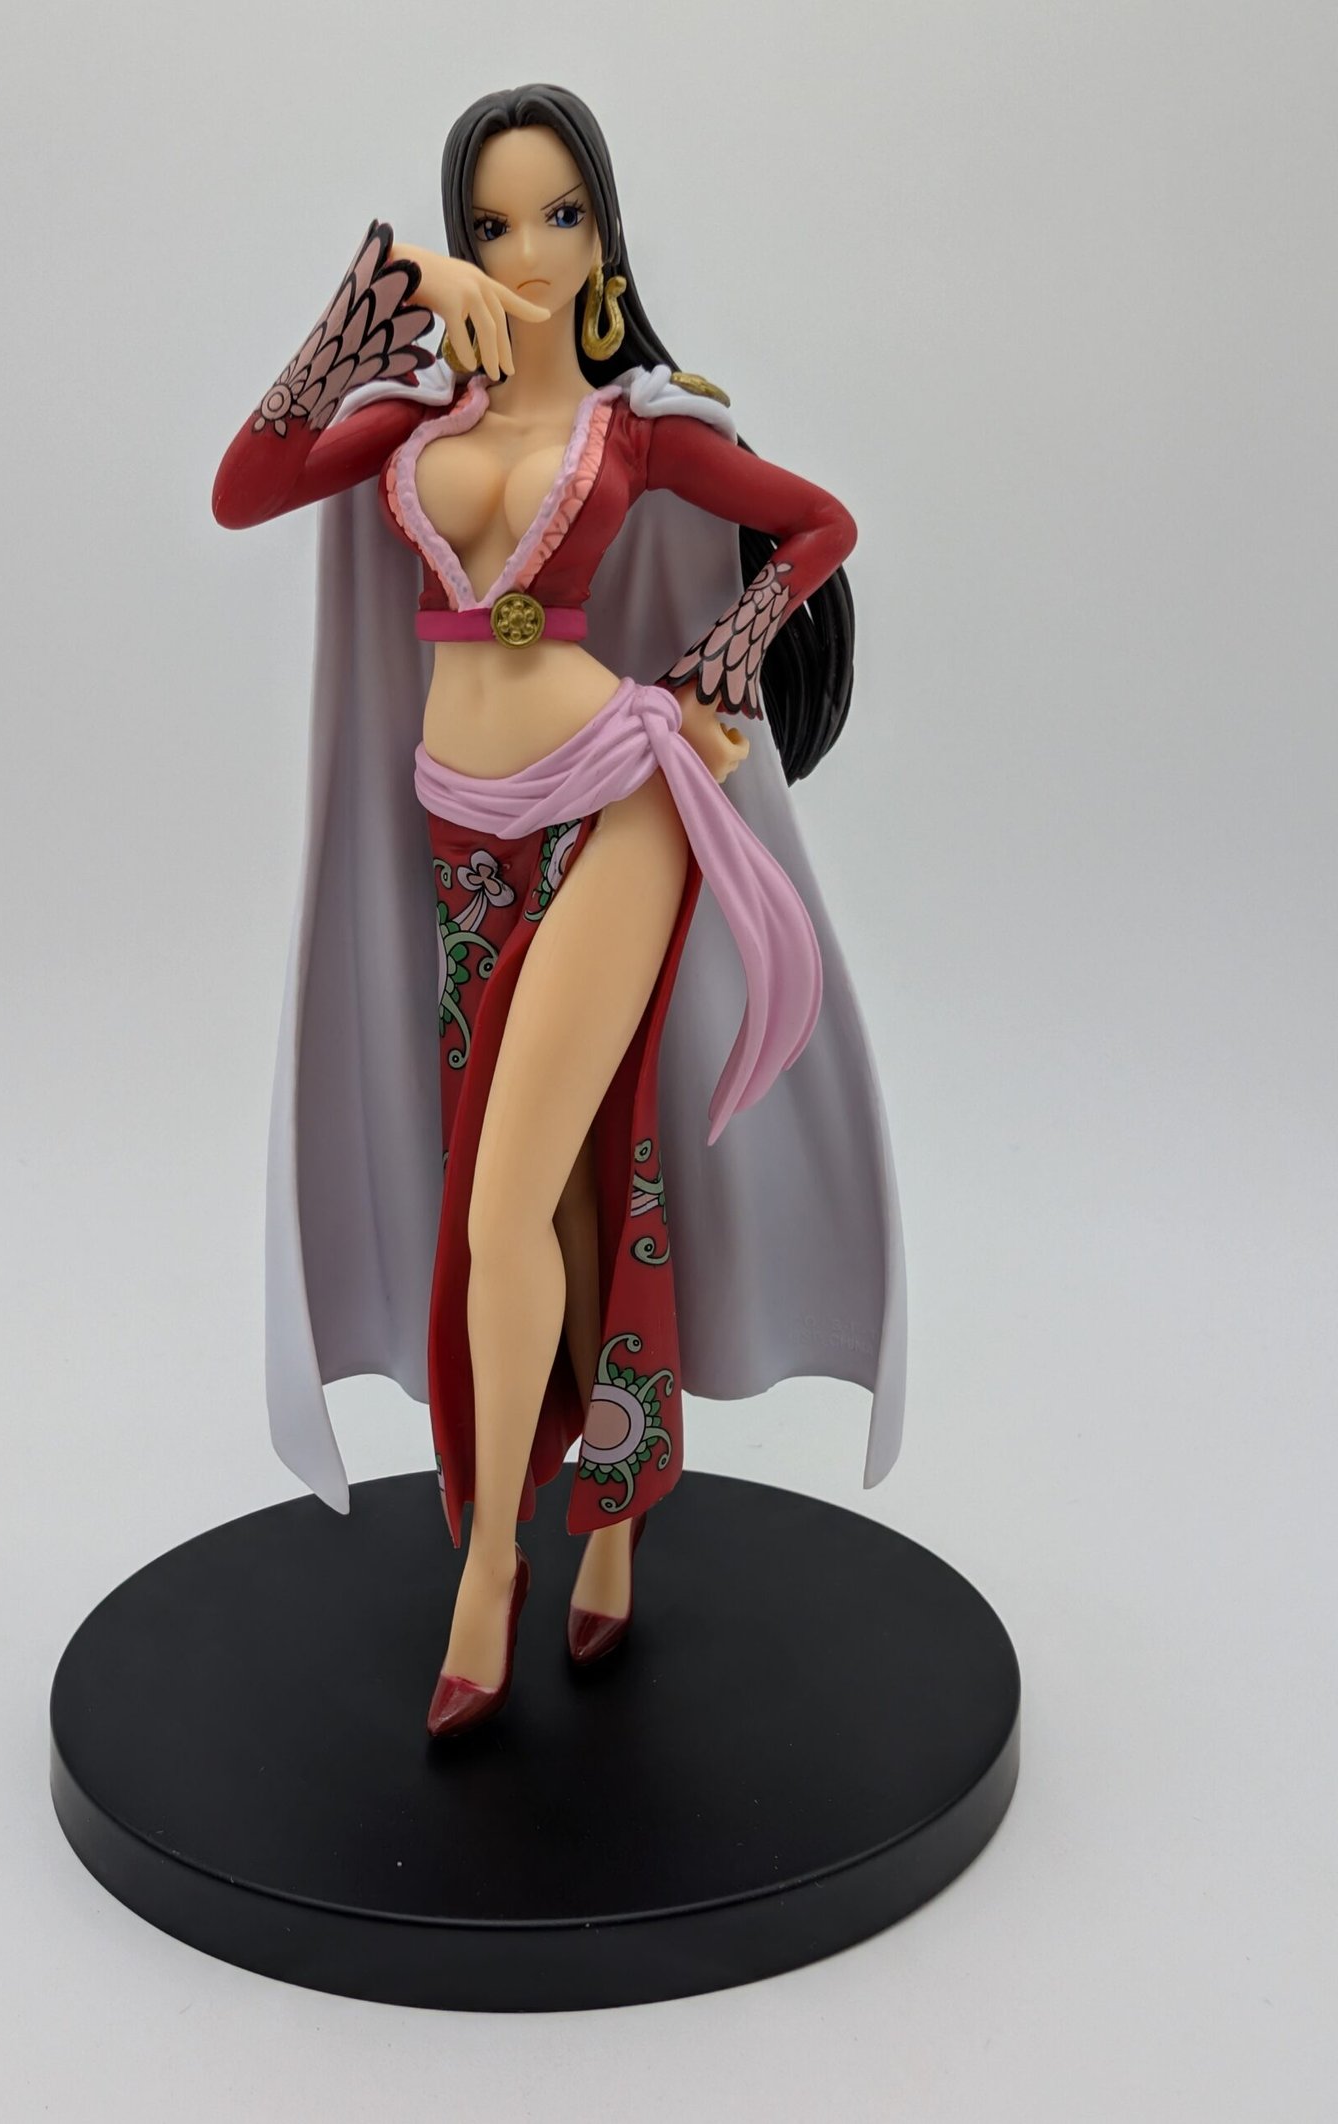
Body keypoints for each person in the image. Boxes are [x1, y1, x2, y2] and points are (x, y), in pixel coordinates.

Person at [212, 84, 906, 1738]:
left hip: (619, 805)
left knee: (502, 1202)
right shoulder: (413, 423)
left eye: (561, 216)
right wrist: (375, 304)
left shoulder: (639, 428)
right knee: (583, 1179)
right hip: (459, 828)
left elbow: (818, 524)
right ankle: (618, 1508)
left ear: (604, 237)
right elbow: (246, 486)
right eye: (494, 223)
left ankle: (488, 1569)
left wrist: (722, 670)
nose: (529, 253)